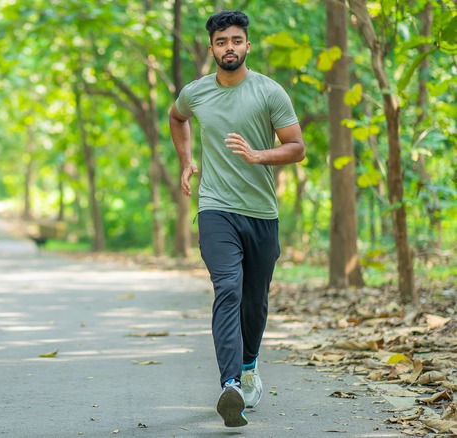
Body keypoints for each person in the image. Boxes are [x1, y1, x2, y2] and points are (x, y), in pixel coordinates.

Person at [168, 10, 306, 428]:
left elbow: (297, 147)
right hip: (215, 208)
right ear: (211, 49)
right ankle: (230, 385)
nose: (229, 47)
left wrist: (258, 155)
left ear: (248, 45)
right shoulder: (196, 93)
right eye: (221, 41)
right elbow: (177, 118)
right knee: (227, 287)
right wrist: (187, 160)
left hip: (261, 212)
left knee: (255, 300)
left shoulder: (269, 92)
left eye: (236, 40)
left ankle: (249, 366)